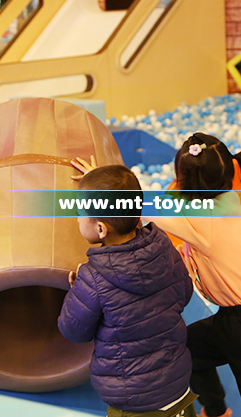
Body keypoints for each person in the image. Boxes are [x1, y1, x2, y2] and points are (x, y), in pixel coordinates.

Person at [71, 133, 241, 417]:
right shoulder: (225, 199)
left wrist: (102, 191)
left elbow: (144, 208)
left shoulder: (203, 218)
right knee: (185, 349)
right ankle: (216, 410)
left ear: (183, 183)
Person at [58, 165, 198, 417]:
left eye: (79, 213)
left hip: (133, 401)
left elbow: (73, 330)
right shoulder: (164, 247)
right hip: (177, 387)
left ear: (101, 229)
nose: (77, 219)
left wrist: (77, 290)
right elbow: (185, 293)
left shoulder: (92, 277)